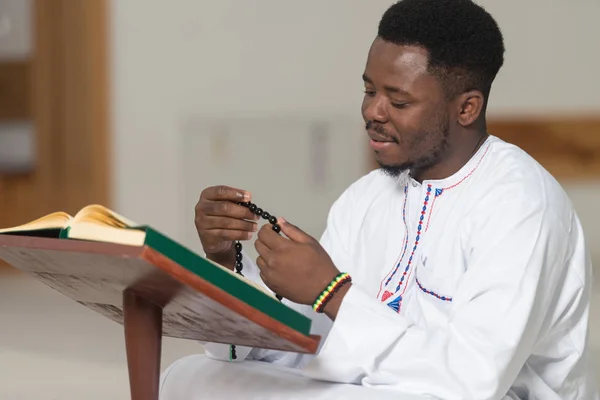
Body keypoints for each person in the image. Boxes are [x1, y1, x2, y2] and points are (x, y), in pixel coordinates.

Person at [161, 0, 599, 399]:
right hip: (366, 389)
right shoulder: (366, 197)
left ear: (466, 108)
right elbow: (296, 350)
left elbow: (473, 382)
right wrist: (223, 263)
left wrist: (332, 291)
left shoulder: (519, 205)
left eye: (399, 100)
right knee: (190, 376)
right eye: (370, 91)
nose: (373, 111)